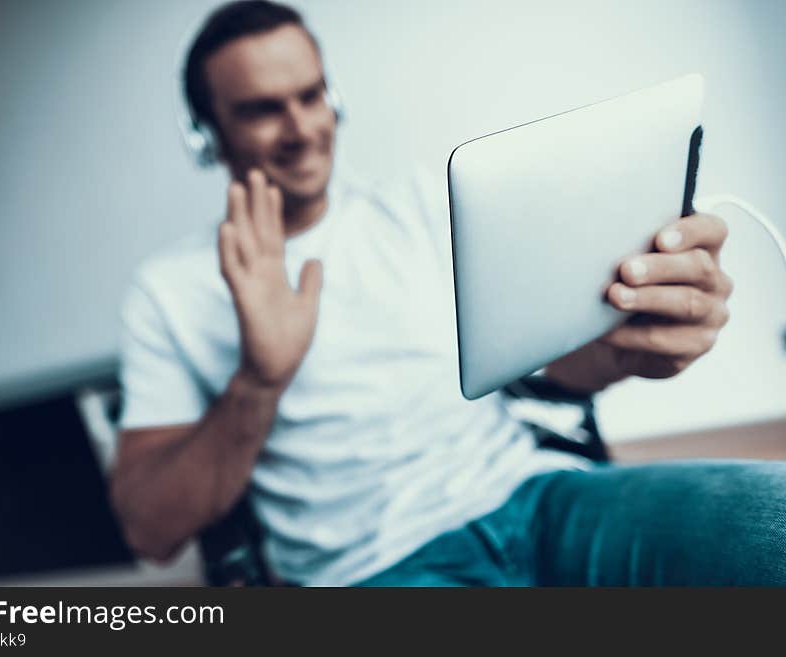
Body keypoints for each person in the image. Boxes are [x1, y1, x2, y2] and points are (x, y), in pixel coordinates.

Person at [109, 0, 785, 586]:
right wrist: (259, 379)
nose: (301, 129)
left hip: (533, 497)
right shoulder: (169, 291)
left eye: (311, 95)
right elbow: (148, 530)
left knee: (771, 522)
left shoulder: (425, 206)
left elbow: (548, 375)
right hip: (375, 569)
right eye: (262, 110)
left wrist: (631, 347)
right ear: (206, 136)